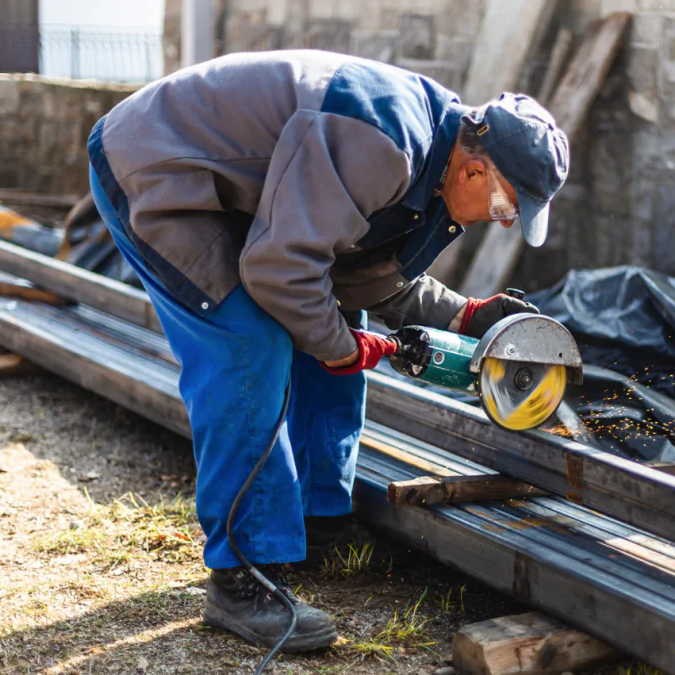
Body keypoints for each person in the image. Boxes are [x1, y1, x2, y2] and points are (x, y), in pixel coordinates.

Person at [86, 49, 569, 652]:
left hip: (239, 197)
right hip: (157, 167)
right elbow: (281, 267)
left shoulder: (434, 157)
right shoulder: (384, 143)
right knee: (250, 346)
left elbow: (360, 269)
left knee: (335, 322)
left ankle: (317, 517)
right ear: (474, 172)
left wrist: (465, 316)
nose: (502, 222)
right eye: (505, 207)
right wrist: (340, 347)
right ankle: (244, 576)